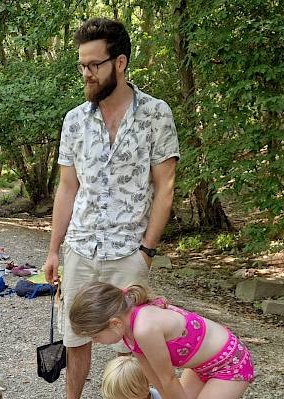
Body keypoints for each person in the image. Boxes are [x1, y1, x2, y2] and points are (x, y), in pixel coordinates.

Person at [42, 17, 180, 399]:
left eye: (93, 65)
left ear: (119, 63)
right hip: (80, 247)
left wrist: (147, 250)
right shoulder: (74, 120)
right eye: (81, 65)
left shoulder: (156, 113)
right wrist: (54, 250)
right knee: (75, 335)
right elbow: (67, 188)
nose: (86, 73)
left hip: (129, 250)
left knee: (135, 344)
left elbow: (164, 186)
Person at [70, 283, 254, 399]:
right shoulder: (127, 333)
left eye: (95, 336)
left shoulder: (145, 329)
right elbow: (154, 377)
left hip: (230, 364)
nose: (96, 342)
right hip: (201, 368)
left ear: (114, 323)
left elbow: (168, 378)